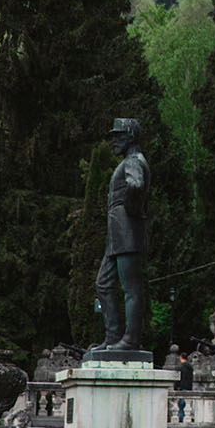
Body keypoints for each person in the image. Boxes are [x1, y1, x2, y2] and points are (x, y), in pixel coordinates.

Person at [92, 117, 151, 352]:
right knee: (103, 284)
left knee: (131, 288)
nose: (114, 141)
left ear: (131, 136)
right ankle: (113, 336)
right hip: (117, 236)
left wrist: (130, 211)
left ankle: (130, 340)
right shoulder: (128, 161)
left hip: (127, 233)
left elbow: (136, 186)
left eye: (119, 136)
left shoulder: (133, 162)